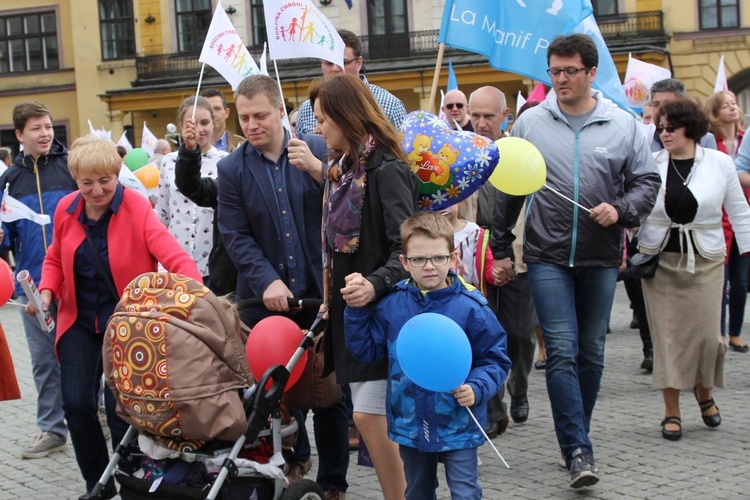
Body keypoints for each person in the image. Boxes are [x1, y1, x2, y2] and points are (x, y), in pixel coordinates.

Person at [491, 34, 660, 488]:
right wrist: (501, 245)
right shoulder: (531, 122)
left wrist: (622, 210)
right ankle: (577, 449)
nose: (560, 79)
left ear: (590, 73)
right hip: (546, 255)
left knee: (592, 353)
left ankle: (576, 432)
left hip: (601, 257)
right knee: (562, 351)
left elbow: (646, 181)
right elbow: (510, 186)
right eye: (554, 71)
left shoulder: (623, 124)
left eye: (569, 71)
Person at [36, 135, 201, 499]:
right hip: (79, 321)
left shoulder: (136, 208)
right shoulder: (66, 210)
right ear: (76, 181)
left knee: (119, 413)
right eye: (87, 183)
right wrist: (46, 290)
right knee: (76, 406)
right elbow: (52, 259)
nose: (97, 190)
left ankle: (129, 484)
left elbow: (172, 255)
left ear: (116, 173)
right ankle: (97, 484)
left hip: (126, 326)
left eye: (105, 180)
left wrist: (194, 292)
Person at [217, 74, 350, 500]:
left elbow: (347, 208)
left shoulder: (316, 148)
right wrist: (267, 280)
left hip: (320, 295)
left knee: (329, 395)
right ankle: (285, 466)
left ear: (280, 112)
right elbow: (236, 237)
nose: (252, 125)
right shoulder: (231, 168)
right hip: (264, 302)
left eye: (260, 115)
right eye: (244, 118)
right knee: (273, 395)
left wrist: (319, 174)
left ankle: (333, 483)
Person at [344, 211, 510, 499]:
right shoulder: (392, 304)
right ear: (405, 263)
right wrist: (356, 310)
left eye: (438, 258)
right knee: (418, 490)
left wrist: (477, 387)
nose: (429, 266)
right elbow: (367, 351)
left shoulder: (471, 308)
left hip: (459, 418)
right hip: (411, 422)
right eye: (419, 259)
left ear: (453, 258)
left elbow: (495, 359)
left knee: (465, 490)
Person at [312, 73, 417, 499]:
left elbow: (406, 248)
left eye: (323, 120)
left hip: (383, 315)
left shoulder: (386, 168)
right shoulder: (340, 171)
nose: (318, 129)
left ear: (344, 116)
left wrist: (374, 285)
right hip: (350, 315)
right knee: (370, 418)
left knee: (370, 418)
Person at [638, 98, 750, 441]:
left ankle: (704, 391)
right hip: (661, 263)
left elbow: (740, 211)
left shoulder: (719, 163)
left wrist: (746, 250)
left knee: (705, 337)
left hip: (706, 260)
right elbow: (636, 212)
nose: (664, 134)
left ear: (691, 127)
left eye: (670, 127)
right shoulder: (651, 163)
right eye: (660, 128)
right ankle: (671, 411)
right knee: (667, 339)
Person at [0, 101, 77, 460]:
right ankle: (51, 428)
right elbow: (5, 239)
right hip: (31, 288)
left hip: (77, 280)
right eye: (36, 128)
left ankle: (95, 413)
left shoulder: (71, 168)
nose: (45, 133)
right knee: (44, 362)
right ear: (19, 135)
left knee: (83, 354)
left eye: (48, 126)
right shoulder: (9, 182)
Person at [469, 86, 537, 432]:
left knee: (520, 333)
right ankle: (493, 409)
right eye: (475, 115)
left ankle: (520, 387)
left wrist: (507, 255)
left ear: (505, 116)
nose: (480, 123)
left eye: (488, 116)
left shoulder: (518, 154)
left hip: (517, 259)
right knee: (483, 335)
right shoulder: (462, 154)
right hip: (475, 261)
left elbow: (528, 210)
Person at [155, 96, 226, 282]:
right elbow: (162, 215)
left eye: (205, 122)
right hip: (176, 262)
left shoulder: (227, 162)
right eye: (193, 123)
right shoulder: (168, 162)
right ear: (181, 125)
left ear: (213, 124)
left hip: (212, 265)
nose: (200, 129)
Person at [295, 29, 406, 135]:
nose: (335, 69)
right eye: (329, 63)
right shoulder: (306, 110)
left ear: (358, 63)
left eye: (344, 62)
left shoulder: (389, 105)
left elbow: (402, 152)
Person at [704, 91, 749, 353]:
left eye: (734, 104)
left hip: (743, 214)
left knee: (741, 280)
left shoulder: (746, 137)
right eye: (726, 105)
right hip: (719, 216)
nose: (733, 108)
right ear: (715, 113)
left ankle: (735, 333)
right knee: (721, 277)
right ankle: (718, 332)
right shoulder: (712, 140)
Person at [649, 79, 718, 152]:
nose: (661, 109)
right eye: (656, 104)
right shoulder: (644, 139)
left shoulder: (705, 139)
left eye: (668, 104)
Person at [201, 87, 242, 152]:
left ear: (226, 113)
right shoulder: (191, 148)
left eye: (217, 108)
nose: (213, 114)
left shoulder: (242, 146)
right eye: (208, 109)